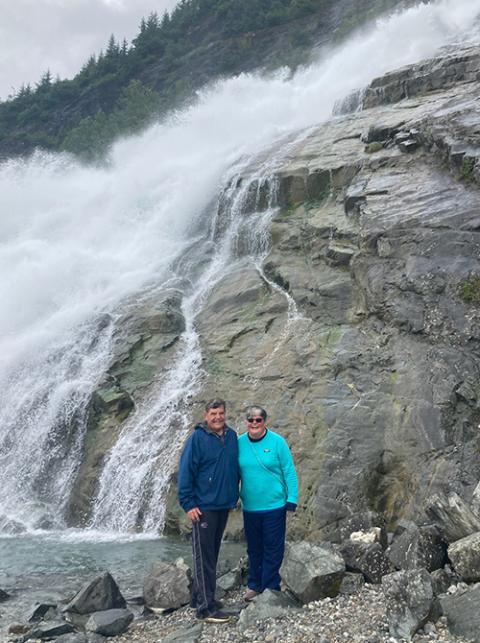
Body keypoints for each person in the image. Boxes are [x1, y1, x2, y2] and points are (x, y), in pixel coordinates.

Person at [178, 398, 239, 623]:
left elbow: (234, 468)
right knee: (204, 557)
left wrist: (233, 498)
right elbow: (186, 472)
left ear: (225, 414)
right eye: (213, 414)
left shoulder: (231, 436)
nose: (217, 417)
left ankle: (199, 597)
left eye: (221, 413)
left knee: (211, 553)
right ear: (206, 415)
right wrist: (188, 503)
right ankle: (205, 609)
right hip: (203, 507)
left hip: (223, 505)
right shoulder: (197, 438)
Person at [238, 405, 298, 602]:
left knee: (273, 547)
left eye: (258, 420)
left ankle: (270, 586)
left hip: (274, 506)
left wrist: (292, 498)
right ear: (246, 422)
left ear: (264, 421)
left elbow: (289, 471)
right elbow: (233, 473)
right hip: (250, 507)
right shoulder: (239, 443)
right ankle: (254, 585)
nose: (254, 423)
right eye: (251, 420)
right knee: (254, 548)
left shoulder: (277, 442)